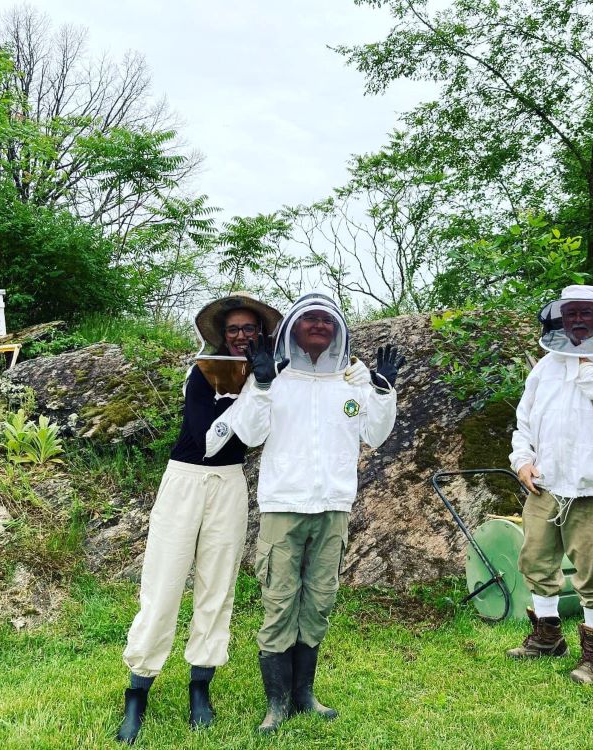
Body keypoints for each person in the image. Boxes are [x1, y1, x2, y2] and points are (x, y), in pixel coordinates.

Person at [206, 291, 403, 734]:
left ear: (337, 330)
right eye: (309, 319)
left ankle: (304, 695)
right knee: (278, 605)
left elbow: (377, 433)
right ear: (293, 328)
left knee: (318, 604)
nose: (318, 325)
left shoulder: (352, 382)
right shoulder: (275, 379)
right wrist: (259, 385)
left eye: (326, 321)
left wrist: (382, 390)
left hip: (334, 507)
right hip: (283, 509)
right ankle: (275, 705)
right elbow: (251, 434)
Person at [116, 292, 282, 744]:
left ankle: (199, 688)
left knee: (217, 585)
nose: (243, 336)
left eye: (251, 329)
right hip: (186, 480)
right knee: (163, 584)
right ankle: (138, 692)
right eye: (235, 330)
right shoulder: (203, 371)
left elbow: (257, 439)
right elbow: (206, 437)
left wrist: (264, 386)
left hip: (229, 484)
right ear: (221, 335)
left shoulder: (267, 378)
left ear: (262, 333)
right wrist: (255, 393)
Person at [506, 284, 593, 684]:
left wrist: (589, 371)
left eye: (585, 312)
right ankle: (547, 638)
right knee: (536, 560)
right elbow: (524, 420)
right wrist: (522, 461)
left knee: (592, 572)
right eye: (571, 313)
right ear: (559, 318)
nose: (578, 320)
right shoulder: (545, 366)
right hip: (545, 485)